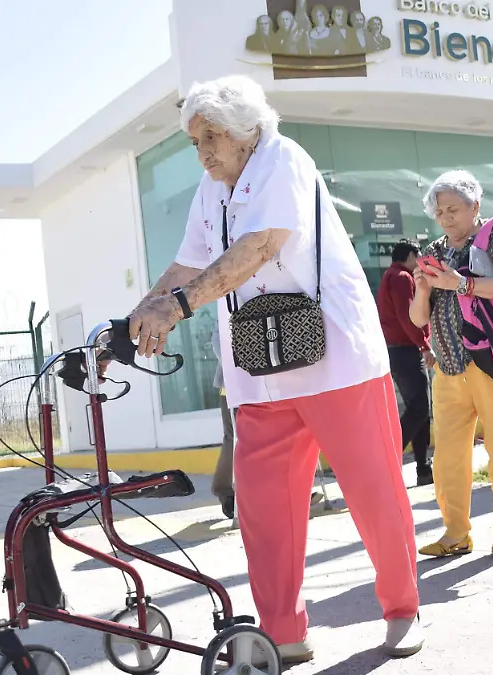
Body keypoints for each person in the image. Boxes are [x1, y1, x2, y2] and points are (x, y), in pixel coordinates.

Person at [127, 75, 421, 662]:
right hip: (258, 370)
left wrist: (176, 308)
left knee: (374, 493)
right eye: (195, 141)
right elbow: (186, 264)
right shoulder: (211, 189)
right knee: (264, 514)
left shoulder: (283, 160)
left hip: (336, 359)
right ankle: (283, 632)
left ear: (245, 129)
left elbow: (261, 245)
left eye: (211, 137)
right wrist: (136, 317)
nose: (203, 152)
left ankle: (402, 610)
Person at [409, 170, 493, 559]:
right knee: (447, 459)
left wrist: (460, 283)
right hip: (447, 366)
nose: (445, 218)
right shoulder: (435, 249)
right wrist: (422, 290)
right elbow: (418, 318)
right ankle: (455, 532)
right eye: (439, 211)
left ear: (475, 206)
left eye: (453, 209)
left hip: (492, 361)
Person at [378, 240, 434, 487]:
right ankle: (386, 461)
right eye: (418, 256)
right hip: (405, 350)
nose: (419, 262)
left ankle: (424, 469)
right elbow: (407, 316)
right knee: (419, 409)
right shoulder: (402, 278)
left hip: (398, 351)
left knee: (419, 410)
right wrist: (424, 345)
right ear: (411, 255)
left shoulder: (389, 276)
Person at [209, 323, 236, 519]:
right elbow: (218, 342)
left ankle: (293, 488)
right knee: (232, 437)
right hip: (233, 383)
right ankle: (225, 492)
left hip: (266, 382)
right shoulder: (225, 307)